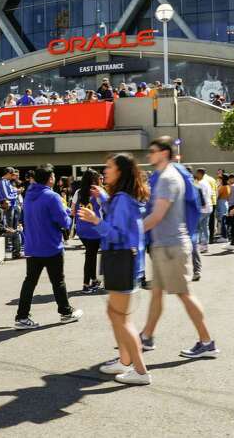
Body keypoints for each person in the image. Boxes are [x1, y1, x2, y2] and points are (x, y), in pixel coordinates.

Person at [140, 137, 219, 359]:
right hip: (163, 245)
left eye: (153, 151)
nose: (149, 155)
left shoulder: (167, 178)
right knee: (157, 294)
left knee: (184, 294)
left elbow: (157, 215)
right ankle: (147, 337)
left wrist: (130, 233)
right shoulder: (166, 176)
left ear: (164, 153)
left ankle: (207, 342)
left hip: (171, 246)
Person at [77, 152, 150, 385]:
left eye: (109, 167)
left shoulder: (121, 199)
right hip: (129, 262)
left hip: (122, 261)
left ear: (120, 171)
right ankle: (125, 360)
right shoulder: (123, 198)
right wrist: (104, 201)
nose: (105, 171)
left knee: (121, 318)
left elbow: (117, 234)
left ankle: (140, 371)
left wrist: (96, 220)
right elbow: (122, 222)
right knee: (116, 314)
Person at [14, 164, 84, 329]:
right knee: (58, 281)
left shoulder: (29, 194)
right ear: (49, 179)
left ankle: (21, 317)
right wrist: (68, 215)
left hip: (32, 246)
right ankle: (66, 312)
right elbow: (64, 222)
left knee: (30, 282)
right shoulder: (52, 196)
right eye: (52, 176)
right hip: (51, 246)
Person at [0, 167, 22, 259]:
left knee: (13, 229)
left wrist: (15, 191)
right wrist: (17, 193)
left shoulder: (7, 182)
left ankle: (15, 252)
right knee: (8, 230)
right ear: (8, 173)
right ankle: (4, 253)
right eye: (12, 174)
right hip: (8, 208)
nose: (13, 176)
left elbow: (11, 192)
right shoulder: (3, 182)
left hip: (12, 207)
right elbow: (7, 195)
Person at [193, 168, 213, 255]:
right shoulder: (207, 183)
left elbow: (200, 196)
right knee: (204, 227)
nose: (195, 175)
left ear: (199, 173)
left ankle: (196, 246)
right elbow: (210, 194)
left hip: (202, 208)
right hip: (209, 207)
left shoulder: (200, 183)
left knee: (196, 227)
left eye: (196, 173)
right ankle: (204, 246)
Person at [215, 173, 230, 241]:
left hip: (221, 203)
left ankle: (224, 236)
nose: (218, 180)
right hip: (225, 203)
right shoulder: (228, 186)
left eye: (220, 178)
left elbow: (217, 195)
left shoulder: (223, 187)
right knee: (224, 220)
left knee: (222, 220)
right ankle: (224, 236)